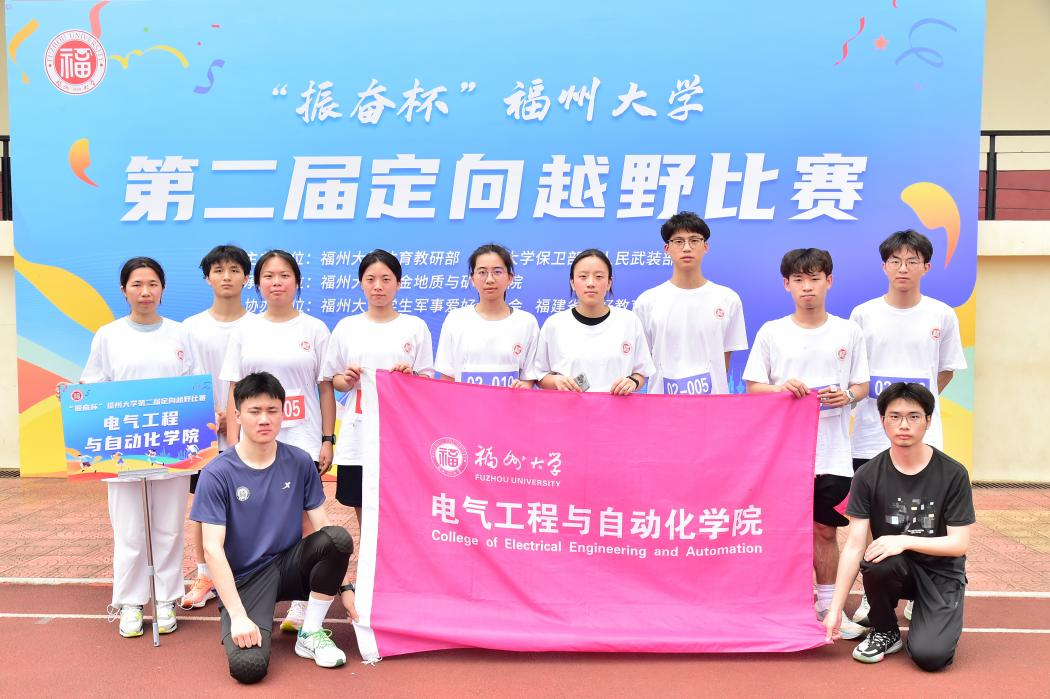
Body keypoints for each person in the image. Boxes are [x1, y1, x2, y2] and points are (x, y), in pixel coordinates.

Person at [191, 372, 359, 684]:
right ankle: (247, 618)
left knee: (337, 538)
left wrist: (346, 588)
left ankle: (310, 633)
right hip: (246, 579)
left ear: (283, 413)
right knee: (249, 668)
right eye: (254, 411)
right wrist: (238, 616)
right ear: (237, 415)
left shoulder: (299, 462)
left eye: (272, 410)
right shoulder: (216, 474)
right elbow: (212, 549)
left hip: (289, 565)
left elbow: (323, 527)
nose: (264, 419)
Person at [742, 248, 869, 639]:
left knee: (825, 531)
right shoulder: (772, 331)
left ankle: (829, 605)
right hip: (782, 454)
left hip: (832, 453)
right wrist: (781, 390)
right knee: (780, 531)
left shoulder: (848, 332)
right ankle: (781, 603)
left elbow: (862, 385)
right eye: (798, 279)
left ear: (829, 281)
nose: (807, 287)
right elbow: (753, 387)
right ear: (787, 285)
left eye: (815, 278)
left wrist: (846, 396)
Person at [848, 230, 967, 626]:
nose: (903, 268)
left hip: (923, 440)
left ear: (926, 267)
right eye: (895, 261)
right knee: (871, 519)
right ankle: (873, 596)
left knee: (926, 516)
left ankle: (921, 593)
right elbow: (856, 374)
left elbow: (945, 371)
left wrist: (914, 413)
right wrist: (890, 415)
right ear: (884, 266)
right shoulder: (863, 315)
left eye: (912, 261)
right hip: (870, 432)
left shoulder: (941, 315)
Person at [81, 257, 198, 638]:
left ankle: (165, 598)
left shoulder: (181, 334)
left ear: (163, 289)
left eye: (152, 284)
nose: (145, 292)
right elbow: (92, 386)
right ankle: (131, 602)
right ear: (123, 290)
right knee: (130, 531)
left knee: (168, 529)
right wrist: (75, 398)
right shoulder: (108, 335)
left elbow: (195, 386)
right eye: (136, 284)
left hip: (172, 449)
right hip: (123, 451)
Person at [221, 249, 336, 631]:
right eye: (268, 276)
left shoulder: (315, 330)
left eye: (284, 275)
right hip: (252, 441)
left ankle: (301, 603)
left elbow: (324, 388)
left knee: (305, 520)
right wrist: (233, 441)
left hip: (302, 437)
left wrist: (327, 439)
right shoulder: (245, 330)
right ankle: (253, 590)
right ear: (257, 284)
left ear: (297, 282)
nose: (276, 282)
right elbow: (234, 389)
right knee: (252, 517)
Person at [823, 382, 974, 669]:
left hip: (941, 573)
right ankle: (885, 630)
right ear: (883, 421)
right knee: (876, 561)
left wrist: (903, 540)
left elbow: (959, 543)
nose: (903, 425)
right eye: (895, 416)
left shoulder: (952, 473)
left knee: (931, 657)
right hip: (895, 567)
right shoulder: (867, 475)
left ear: (928, 421)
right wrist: (835, 610)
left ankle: (929, 615)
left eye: (913, 416)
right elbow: (854, 545)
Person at [321, 250, 434, 532]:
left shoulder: (415, 327)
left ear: (399, 283)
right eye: (370, 279)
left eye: (386, 279)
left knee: (400, 502)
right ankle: (368, 557)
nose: (378, 286)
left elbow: (427, 380)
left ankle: (397, 557)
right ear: (361, 283)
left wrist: (410, 377)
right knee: (361, 501)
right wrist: (347, 379)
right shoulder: (347, 327)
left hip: (401, 431)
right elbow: (333, 379)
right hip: (359, 430)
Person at [179, 244, 254, 609]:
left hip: (247, 430)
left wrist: (235, 417)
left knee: (248, 503)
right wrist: (210, 416)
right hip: (203, 431)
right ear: (207, 277)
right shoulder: (190, 328)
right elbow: (183, 379)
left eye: (235, 270)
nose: (227, 277)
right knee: (203, 505)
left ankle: (246, 575)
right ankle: (204, 574)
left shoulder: (257, 326)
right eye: (219, 270)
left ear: (246, 278)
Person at [634, 212, 747, 395]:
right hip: (662, 404)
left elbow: (724, 358)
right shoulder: (647, 302)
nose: (686, 248)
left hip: (712, 404)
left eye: (694, 240)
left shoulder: (728, 299)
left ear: (705, 246)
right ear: (667, 248)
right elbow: (642, 361)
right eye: (678, 241)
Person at [535, 249, 654, 394]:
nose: (590, 283)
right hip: (569, 407)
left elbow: (641, 372)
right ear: (572, 282)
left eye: (598, 277)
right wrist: (556, 381)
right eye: (583, 276)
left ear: (609, 282)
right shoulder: (554, 324)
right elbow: (539, 376)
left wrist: (632, 382)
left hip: (618, 407)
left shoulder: (629, 321)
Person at [435, 243, 540, 388]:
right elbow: (447, 378)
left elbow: (529, 376)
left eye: (497, 272)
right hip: (464, 402)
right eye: (482, 272)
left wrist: (525, 386)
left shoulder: (526, 322)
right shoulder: (455, 320)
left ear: (510, 278)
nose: (489, 279)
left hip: (510, 402)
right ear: (472, 279)